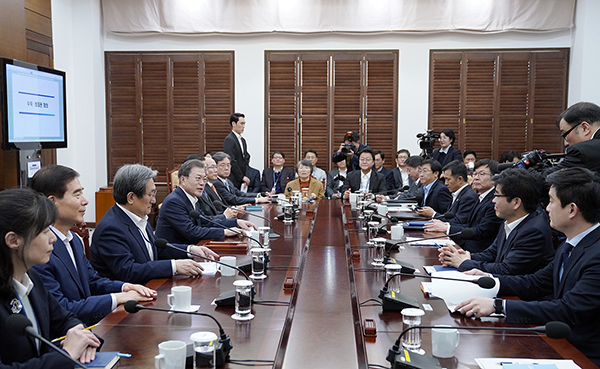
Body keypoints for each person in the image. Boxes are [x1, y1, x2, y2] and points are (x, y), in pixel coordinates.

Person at [455, 167, 600, 365]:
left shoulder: (596, 254)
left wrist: (500, 305)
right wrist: (487, 281)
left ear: (572, 209)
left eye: (551, 201)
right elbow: (537, 282)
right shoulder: (571, 243)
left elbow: (568, 309)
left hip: (583, 354)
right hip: (556, 339)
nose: (546, 208)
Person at [29, 165, 156, 326]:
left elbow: (92, 281)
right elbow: (61, 308)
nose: (85, 200)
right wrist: (117, 298)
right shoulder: (39, 251)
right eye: (77, 195)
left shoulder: (74, 239)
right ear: (52, 202)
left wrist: (125, 287)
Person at [0, 188, 101, 367]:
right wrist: (67, 354)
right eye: (45, 230)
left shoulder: (32, 278)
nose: (53, 238)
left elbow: (65, 319)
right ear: (13, 241)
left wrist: (81, 337)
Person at [91, 164, 217, 285]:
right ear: (131, 198)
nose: (154, 200)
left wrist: (190, 250)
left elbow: (155, 249)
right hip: (128, 298)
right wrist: (174, 266)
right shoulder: (111, 228)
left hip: (150, 286)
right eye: (150, 194)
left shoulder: (138, 217)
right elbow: (128, 271)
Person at [438, 168, 554, 275]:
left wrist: (463, 263)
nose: (493, 200)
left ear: (516, 203)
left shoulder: (533, 231)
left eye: (497, 195)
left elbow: (506, 269)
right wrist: (466, 256)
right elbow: (492, 253)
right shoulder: (509, 220)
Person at [156, 159, 255, 245]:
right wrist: (224, 232)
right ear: (183, 179)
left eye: (204, 179)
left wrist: (235, 222)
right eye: (198, 178)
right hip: (177, 255)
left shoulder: (192, 197)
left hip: (195, 248)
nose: (202, 183)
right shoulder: (174, 201)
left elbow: (205, 222)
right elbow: (192, 232)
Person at [424, 159, 503, 253]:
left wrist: (447, 228)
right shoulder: (481, 197)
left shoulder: (495, 201)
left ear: (495, 178)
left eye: (482, 174)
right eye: (475, 174)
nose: (476, 178)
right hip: (467, 248)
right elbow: (468, 225)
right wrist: (445, 225)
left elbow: (481, 231)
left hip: (478, 253)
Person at [543, 102, 600, 177]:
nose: (565, 143)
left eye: (565, 135)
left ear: (585, 128)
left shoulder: (582, 152)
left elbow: (548, 179)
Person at [416, 160, 478, 224]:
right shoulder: (457, 194)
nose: (445, 183)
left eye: (448, 179)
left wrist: (433, 214)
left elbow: (458, 222)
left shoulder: (468, 197)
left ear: (460, 179)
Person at [223, 112, 250, 189]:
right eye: (241, 123)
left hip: (242, 178)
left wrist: (245, 176)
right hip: (234, 178)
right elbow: (232, 159)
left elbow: (245, 158)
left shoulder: (243, 140)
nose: (243, 126)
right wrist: (241, 176)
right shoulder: (229, 139)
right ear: (234, 124)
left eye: (244, 123)